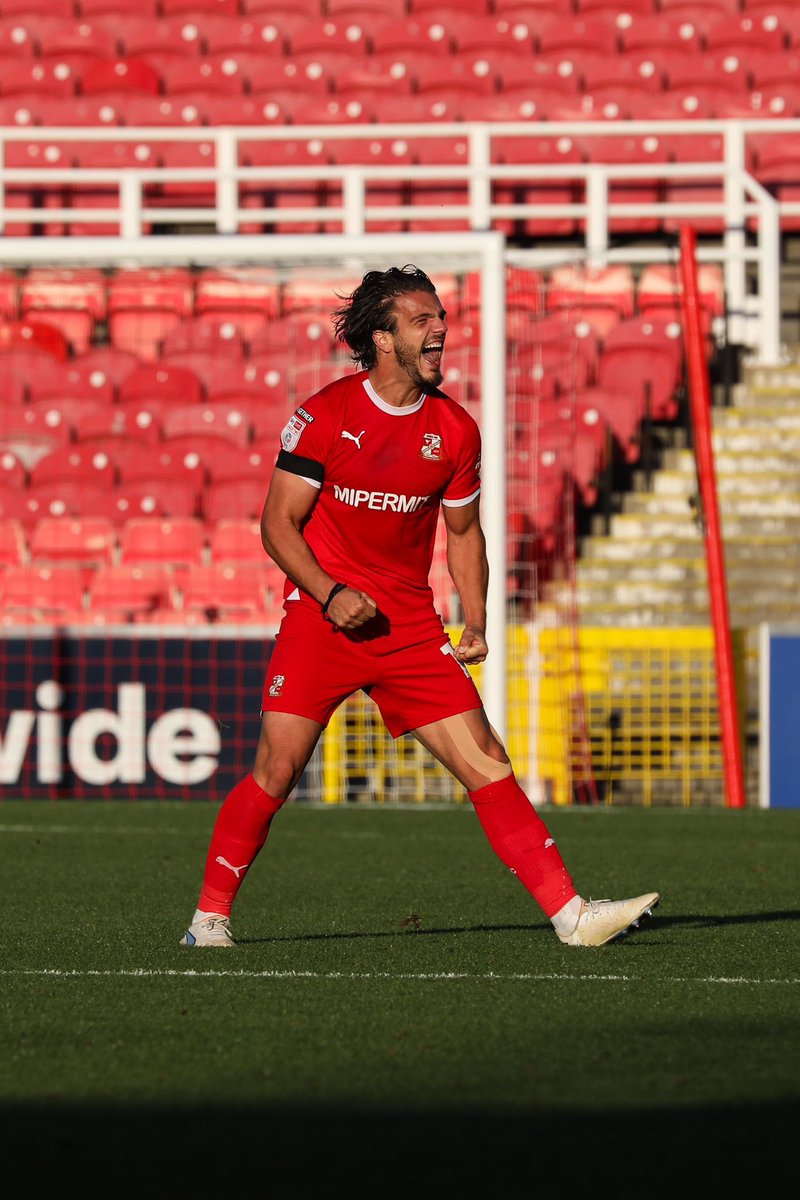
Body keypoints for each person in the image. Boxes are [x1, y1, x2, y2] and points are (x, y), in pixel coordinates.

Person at [180, 265, 659, 949]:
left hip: (407, 627)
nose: (440, 331)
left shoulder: (456, 431)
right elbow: (277, 526)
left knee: (487, 762)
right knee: (277, 770)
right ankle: (209, 919)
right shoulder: (324, 416)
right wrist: (329, 593)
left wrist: (477, 619)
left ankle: (572, 917)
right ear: (381, 337)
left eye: (441, 318)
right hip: (321, 620)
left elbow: (464, 533)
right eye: (422, 321)